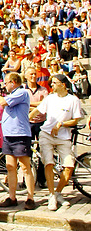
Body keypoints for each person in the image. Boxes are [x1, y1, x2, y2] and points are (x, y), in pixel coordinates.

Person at [29, 74, 83, 210]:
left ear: (63, 85)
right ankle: (51, 194)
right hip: (46, 134)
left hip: (63, 136)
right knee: (49, 162)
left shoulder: (73, 100)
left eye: (54, 83)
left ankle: (58, 192)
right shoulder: (50, 98)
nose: (51, 85)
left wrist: (61, 124)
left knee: (69, 165)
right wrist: (26, 118)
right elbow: (37, 110)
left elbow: (75, 120)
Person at [0, 72, 36, 210]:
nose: (5, 86)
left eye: (6, 83)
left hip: (20, 134)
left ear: (13, 82)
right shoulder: (12, 95)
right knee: (10, 167)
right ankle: (12, 197)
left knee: (25, 167)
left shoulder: (22, 92)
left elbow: (2, 102)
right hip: (8, 136)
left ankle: (30, 197)